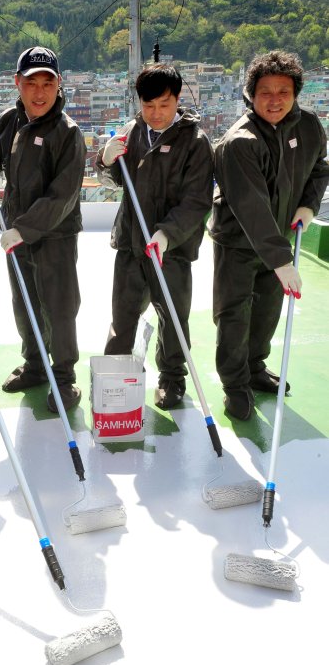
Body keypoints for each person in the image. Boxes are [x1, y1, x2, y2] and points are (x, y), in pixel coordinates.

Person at [209, 50, 329, 420]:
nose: (274, 100)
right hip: (239, 243)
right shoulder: (239, 142)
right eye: (265, 92)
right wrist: (282, 261)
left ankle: (255, 368)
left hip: (280, 238)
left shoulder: (308, 126)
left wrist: (308, 207)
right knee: (235, 315)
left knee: (266, 311)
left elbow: (319, 168)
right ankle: (234, 385)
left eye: (283, 91)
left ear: (295, 94)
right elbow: (251, 209)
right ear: (250, 94)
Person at [97, 64, 214, 409]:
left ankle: (172, 380)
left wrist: (166, 235)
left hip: (171, 251)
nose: (156, 114)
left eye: (164, 105)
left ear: (178, 99)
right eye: (149, 106)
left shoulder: (195, 143)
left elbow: (197, 202)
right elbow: (114, 179)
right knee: (123, 318)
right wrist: (105, 162)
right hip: (132, 246)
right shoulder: (132, 131)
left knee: (173, 317)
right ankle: (114, 384)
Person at [0, 46, 87, 413]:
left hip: (53, 234)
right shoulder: (9, 120)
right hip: (16, 232)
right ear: (18, 83)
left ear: (59, 85)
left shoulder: (68, 133)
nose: (39, 92)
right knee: (24, 303)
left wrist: (24, 228)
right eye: (31, 83)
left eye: (47, 83)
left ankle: (64, 378)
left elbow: (63, 196)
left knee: (58, 306)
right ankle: (36, 364)